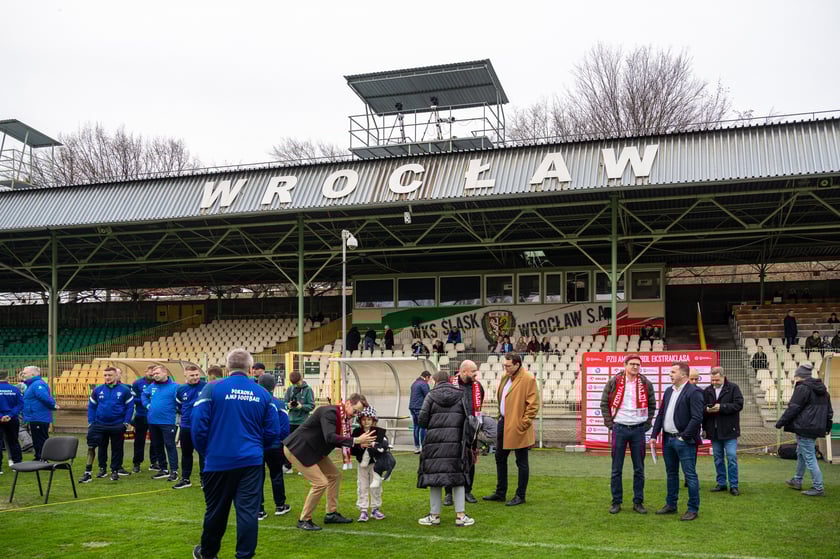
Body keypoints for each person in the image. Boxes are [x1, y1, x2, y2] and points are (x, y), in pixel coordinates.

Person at [191, 348, 281, 559]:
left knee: (216, 510)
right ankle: (244, 555)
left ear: (227, 367)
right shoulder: (263, 394)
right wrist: (256, 449)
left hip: (218, 460)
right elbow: (273, 432)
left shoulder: (212, 388)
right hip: (250, 462)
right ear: (250, 369)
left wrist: (208, 452)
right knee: (248, 513)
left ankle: (208, 553)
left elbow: (198, 426)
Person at [283, 393, 376, 531]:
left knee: (335, 476)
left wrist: (359, 444)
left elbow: (336, 440)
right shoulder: (330, 413)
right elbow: (330, 437)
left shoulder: (343, 417)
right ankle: (304, 520)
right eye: (355, 411)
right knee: (320, 483)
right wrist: (356, 440)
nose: (355, 415)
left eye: (358, 413)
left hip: (314, 449)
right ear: (348, 403)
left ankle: (331, 514)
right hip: (298, 448)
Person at [417, 369, 475, 527]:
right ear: (449, 380)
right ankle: (460, 516)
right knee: (458, 478)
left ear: (435, 381)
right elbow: (467, 418)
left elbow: (422, 421)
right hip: (456, 443)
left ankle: (434, 515)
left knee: (435, 479)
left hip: (434, 444)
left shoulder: (430, 396)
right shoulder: (460, 394)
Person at [600, 354, 656, 514]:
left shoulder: (645, 383)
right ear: (625, 365)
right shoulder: (614, 381)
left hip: (638, 430)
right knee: (616, 468)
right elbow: (604, 403)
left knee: (639, 468)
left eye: (637, 364)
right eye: (632, 364)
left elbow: (652, 405)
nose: (635, 367)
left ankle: (638, 502)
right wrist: (610, 424)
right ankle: (616, 502)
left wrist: (646, 424)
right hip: (619, 429)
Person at [651, 361, 705, 521]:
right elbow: (661, 414)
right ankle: (671, 504)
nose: (670, 374)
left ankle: (693, 509)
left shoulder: (694, 392)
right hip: (668, 440)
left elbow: (697, 418)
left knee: (690, 475)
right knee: (671, 474)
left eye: (673, 372)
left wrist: (683, 437)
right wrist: (654, 435)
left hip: (684, 442)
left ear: (683, 374)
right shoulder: (669, 391)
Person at [483, 352, 538, 506]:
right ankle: (500, 492)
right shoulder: (505, 377)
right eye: (504, 365)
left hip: (518, 425)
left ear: (517, 364)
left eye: (508, 366)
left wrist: (523, 423)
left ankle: (520, 495)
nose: (505, 368)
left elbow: (533, 405)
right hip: (504, 422)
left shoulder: (528, 379)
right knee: (500, 457)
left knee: (521, 461)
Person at [775, 364, 833, 497]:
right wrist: (827, 427)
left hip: (804, 427)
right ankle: (797, 480)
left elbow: (793, 408)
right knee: (801, 453)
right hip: (816, 427)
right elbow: (829, 411)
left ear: (798, 376)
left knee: (809, 457)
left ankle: (818, 487)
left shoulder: (802, 388)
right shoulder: (824, 391)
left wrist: (780, 423)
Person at [79, 367, 134, 483]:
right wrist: (91, 422)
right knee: (97, 446)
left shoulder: (124, 390)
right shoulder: (98, 390)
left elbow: (130, 407)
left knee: (117, 448)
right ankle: (98, 470)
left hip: (117, 424)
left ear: (116, 376)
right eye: (105, 375)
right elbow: (92, 406)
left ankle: (115, 470)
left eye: (110, 375)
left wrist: (126, 422)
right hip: (99, 424)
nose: (107, 377)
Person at [444, 360, 484, 506]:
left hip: (470, 430)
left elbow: (479, 407)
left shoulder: (478, 387)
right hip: (452, 428)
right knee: (450, 461)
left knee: (470, 460)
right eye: (473, 371)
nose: (475, 374)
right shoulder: (449, 384)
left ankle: (467, 490)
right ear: (464, 371)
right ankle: (448, 493)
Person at [703, 367, 744, 496]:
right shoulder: (707, 390)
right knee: (718, 459)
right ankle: (721, 483)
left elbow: (739, 405)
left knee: (731, 457)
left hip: (729, 430)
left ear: (723, 376)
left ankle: (734, 485)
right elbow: (702, 407)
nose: (714, 382)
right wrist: (707, 410)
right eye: (712, 380)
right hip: (714, 431)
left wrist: (722, 407)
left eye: (716, 380)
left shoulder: (733, 388)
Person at [257, 373, 291, 519]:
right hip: (274, 445)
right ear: (274, 386)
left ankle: (259, 509)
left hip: (257, 445)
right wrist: (281, 440)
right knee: (276, 475)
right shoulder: (278, 403)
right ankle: (280, 505)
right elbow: (284, 426)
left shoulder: (255, 401)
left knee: (257, 477)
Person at [142, 365, 180, 482]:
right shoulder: (152, 386)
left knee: (170, 445)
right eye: (154, 374)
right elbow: (144, 395)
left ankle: (174, 471)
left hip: (168, 421)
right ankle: (163, 469)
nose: (155, 376)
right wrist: (147, 405)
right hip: (153, 421)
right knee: (157, 445)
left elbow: (180, 402)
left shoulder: (175, 387)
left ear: (165, 373)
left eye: (157, 373)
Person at [351, 406, 388, 522]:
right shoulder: (357, 432)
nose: (366, 422)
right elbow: (352, 450)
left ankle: (375, 509)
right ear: (360, 420)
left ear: (373, 420)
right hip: (362, 465)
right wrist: (361, 446)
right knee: (362, 486)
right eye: (363, 419)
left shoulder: (379, 432)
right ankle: (363, 510)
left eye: (369, 419)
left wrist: (377, 448)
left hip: (376, 465)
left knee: (376, 486)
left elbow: (384, 446)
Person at [173, 365, 207, 489]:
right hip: (186, 426)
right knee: (186, 453)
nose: (195, 377)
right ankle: (185, 479)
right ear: (185, 375)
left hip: (202, 426)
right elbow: (179, 406)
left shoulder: (206, 387)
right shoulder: (181, 389)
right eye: (192, 375)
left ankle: (204, 480)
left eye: (197, 375)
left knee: (203, 454)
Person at [21, 366, 58, 460]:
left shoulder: (37, 384)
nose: (23, 374)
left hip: (39, 416)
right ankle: (39, 457)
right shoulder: (33, 384)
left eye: (25, 373)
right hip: (35, 416)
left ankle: (42, 458)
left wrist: (53, 405)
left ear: (33, 374)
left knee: (40, 439)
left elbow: (44, 397)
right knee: (37, 439)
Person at [131, 365, 160, 472]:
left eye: (154, 372)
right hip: (141, 415)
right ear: (145, 371)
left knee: (155, 440)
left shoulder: (159, 383)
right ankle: (137, 463)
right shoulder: (137, 383)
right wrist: (145, 401)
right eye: (150, 371)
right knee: (139, 440)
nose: (152, 374)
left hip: (155, 416)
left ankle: (154, 462)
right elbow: (133, 399)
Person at [0, 370, 24, 470]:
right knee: (13, 441)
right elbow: (20, 404)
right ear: (7, 377)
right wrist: (10, 415)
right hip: (12, 419)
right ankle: (17, 464)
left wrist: (1, 416)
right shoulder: (15, 389)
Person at [409, 371, 432, 453]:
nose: (429, 380)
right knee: (423, 427)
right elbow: (428, 395)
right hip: (419, 407)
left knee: (416, 427)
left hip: (412, 407)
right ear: (426, 377)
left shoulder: (414, 383)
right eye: (429, 378)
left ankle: (417, 447)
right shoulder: (423, 384)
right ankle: (423, 446)